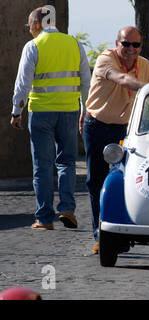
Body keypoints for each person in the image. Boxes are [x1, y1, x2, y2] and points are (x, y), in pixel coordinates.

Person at [10, 7, 91, 230]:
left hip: (41, 113)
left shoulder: (33, 46)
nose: (29, 31)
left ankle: (44, 219)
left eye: (29, 26)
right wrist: (85, 110)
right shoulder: (74, 44)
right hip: (69, 112)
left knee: (43, 166)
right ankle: (67, 208)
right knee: (67, 162)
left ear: (37, 23)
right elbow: (86, 81)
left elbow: (22, 83)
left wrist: (16, 111)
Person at [83, 26, 149, 254]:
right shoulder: (106, 58)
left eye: (136, 45)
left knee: (127, 181)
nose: (131, 49)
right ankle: (101, 235)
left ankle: (121, 232)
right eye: (126, 44)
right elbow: (122, 79)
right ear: (117, 44)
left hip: (124, 131)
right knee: (96, 182)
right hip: (96, 126)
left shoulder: (145, 65)